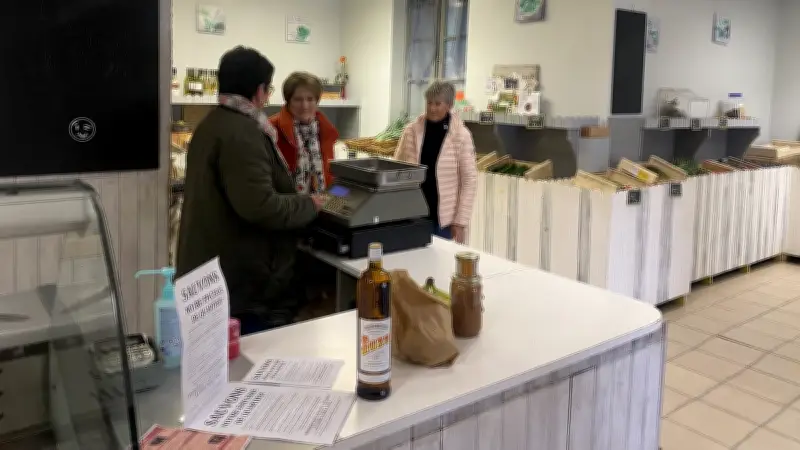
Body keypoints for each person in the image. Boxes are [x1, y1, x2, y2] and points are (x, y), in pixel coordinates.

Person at [176, 46, 324, 335]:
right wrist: (310, 205)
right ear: (259, 91)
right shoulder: (242, 133)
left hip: (217, 272)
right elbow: (260, 205)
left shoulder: (213, 124)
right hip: (237, 282)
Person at [394, 81, 478, 243]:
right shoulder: (411, 131)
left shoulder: (461, 135)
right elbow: (397, 168)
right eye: (429, 103)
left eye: (438, 104)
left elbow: (469, 180)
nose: (432, 108)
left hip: (443, 219)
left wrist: (460, 221)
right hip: (412, 212)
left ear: (449, 105)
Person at [270, 72, 339, 193]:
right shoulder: (271, 128)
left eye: (310, 99)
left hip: (320, 204)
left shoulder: (326, 130)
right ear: (288, 101)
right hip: (286, 206)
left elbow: (329, 175)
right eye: (298, 99)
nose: (305, 105)